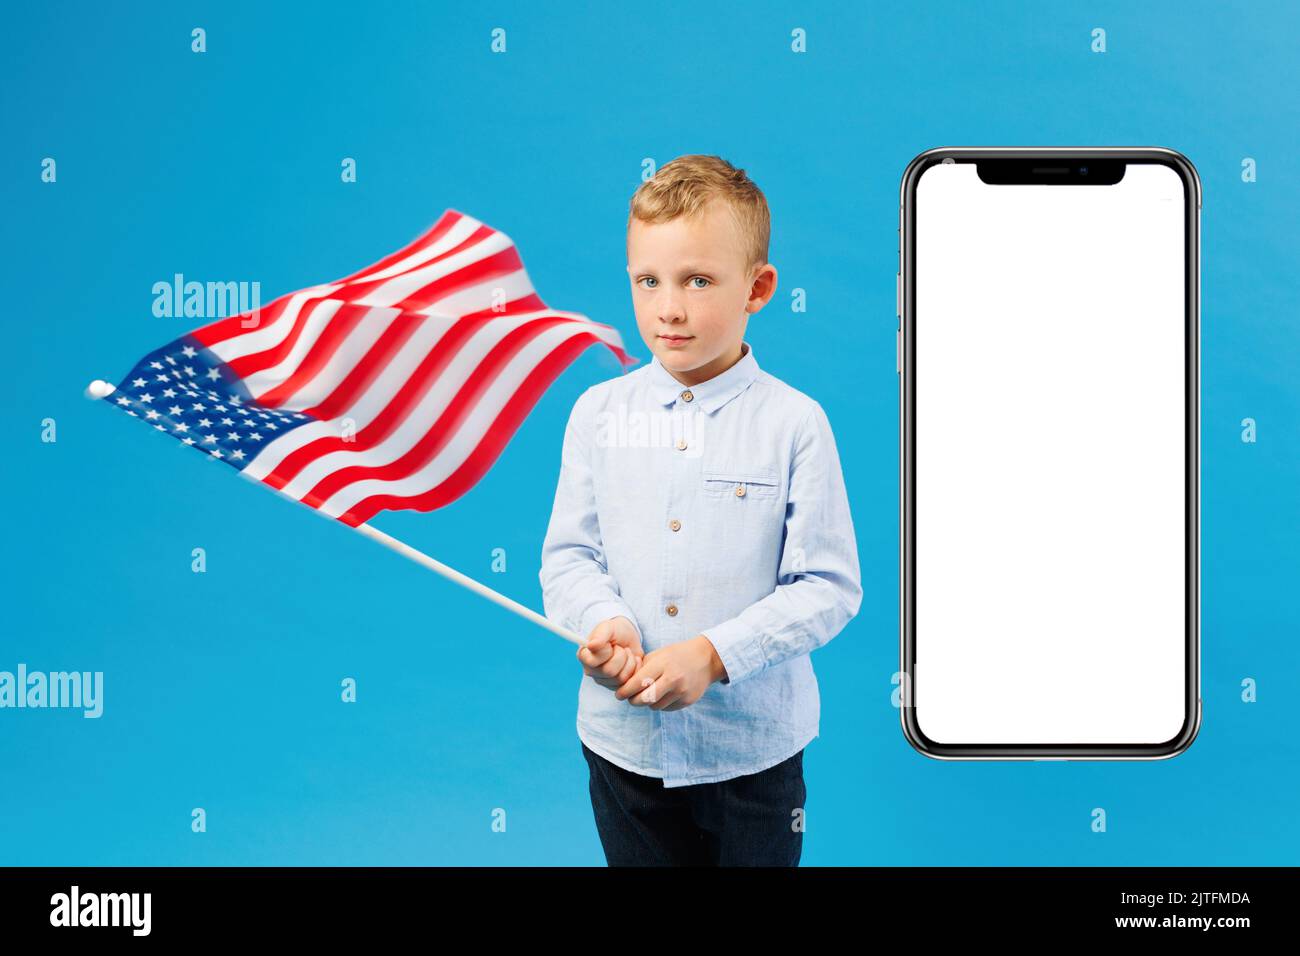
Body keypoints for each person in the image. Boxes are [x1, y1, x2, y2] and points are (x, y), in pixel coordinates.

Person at [539, 154, 862, 866]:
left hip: (753, 753)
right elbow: (570, 557)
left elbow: (829, 588)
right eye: (648, 281)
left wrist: (714, 656)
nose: (669, 308)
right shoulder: (598, 413)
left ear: (759, 287)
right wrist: (606, 622)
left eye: (698, 280)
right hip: (622, 749)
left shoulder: (793, 423)